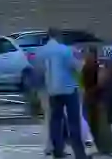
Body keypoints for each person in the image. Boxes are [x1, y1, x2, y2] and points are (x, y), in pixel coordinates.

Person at [37, 28, 89, 159]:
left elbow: (38, 71)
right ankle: (80, 154)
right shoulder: (65, 50)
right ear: (58, 36)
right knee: (73, 122)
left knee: (55, 121)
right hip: (68, 89)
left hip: (52, 91)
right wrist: (81, 59)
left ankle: (57, 151)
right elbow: (77, 67)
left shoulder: (41, 52)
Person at [83, 49, 112, 156]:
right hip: (91, 99)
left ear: (94, 57)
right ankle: (102, 147)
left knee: (102, 124)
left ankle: (108, 147)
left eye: (90, 56)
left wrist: (90, 92)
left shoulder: (99, 69)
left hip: (99, 99)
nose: (88, 58)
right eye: (87, 56)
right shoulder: (85, 69)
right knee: (93, 123)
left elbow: (101, 84)